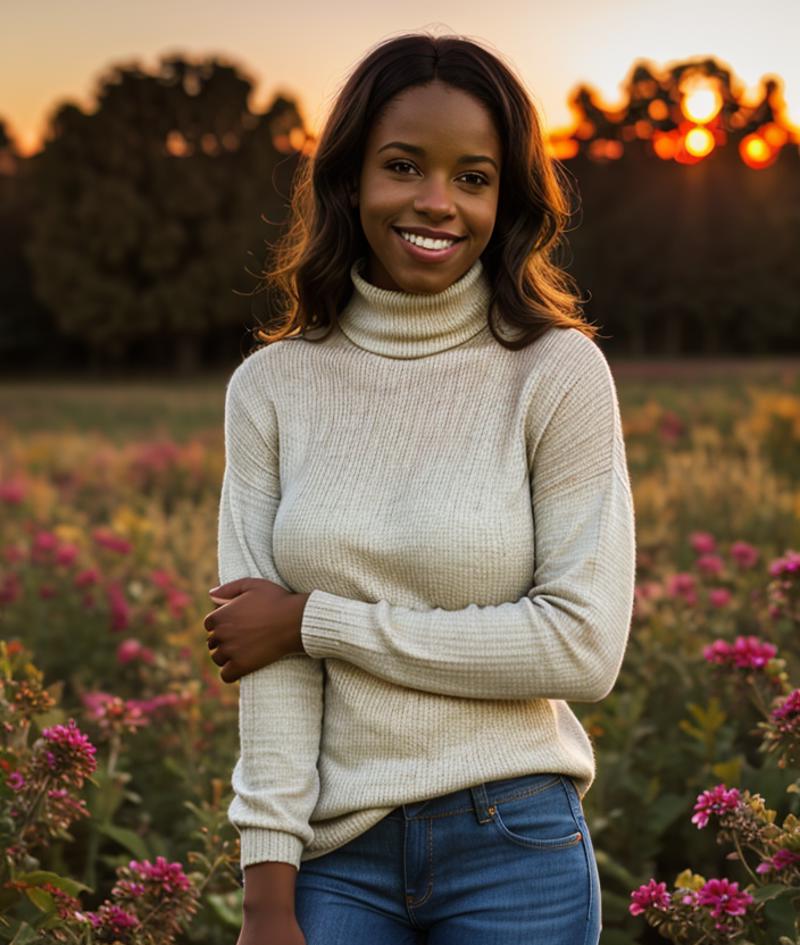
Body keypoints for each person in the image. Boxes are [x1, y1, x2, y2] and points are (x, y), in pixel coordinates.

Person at [203, 31, 636, 945]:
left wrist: (316, 618)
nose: (437, 202)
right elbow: (266, 662)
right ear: (350, 179)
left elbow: (582, 647)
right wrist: (265, 895)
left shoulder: (557, 372)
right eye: (404, 166)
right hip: (334, 856)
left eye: (473, 177)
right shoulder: (272, 387)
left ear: (505, 198)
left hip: (515, 843)